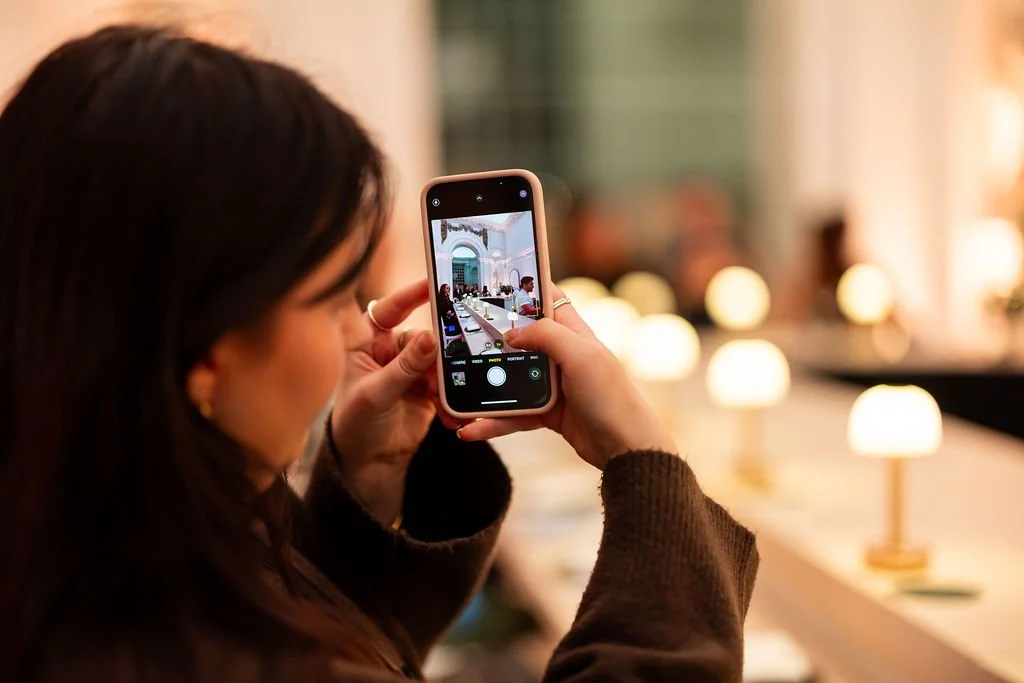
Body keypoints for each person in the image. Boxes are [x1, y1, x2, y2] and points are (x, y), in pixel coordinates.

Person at [0, 26, 757, 683]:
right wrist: (645, 458)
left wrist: (361, 491)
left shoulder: (87, 551)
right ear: (208, 349)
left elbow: (310, 632)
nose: (362, 332)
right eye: (333, 296)